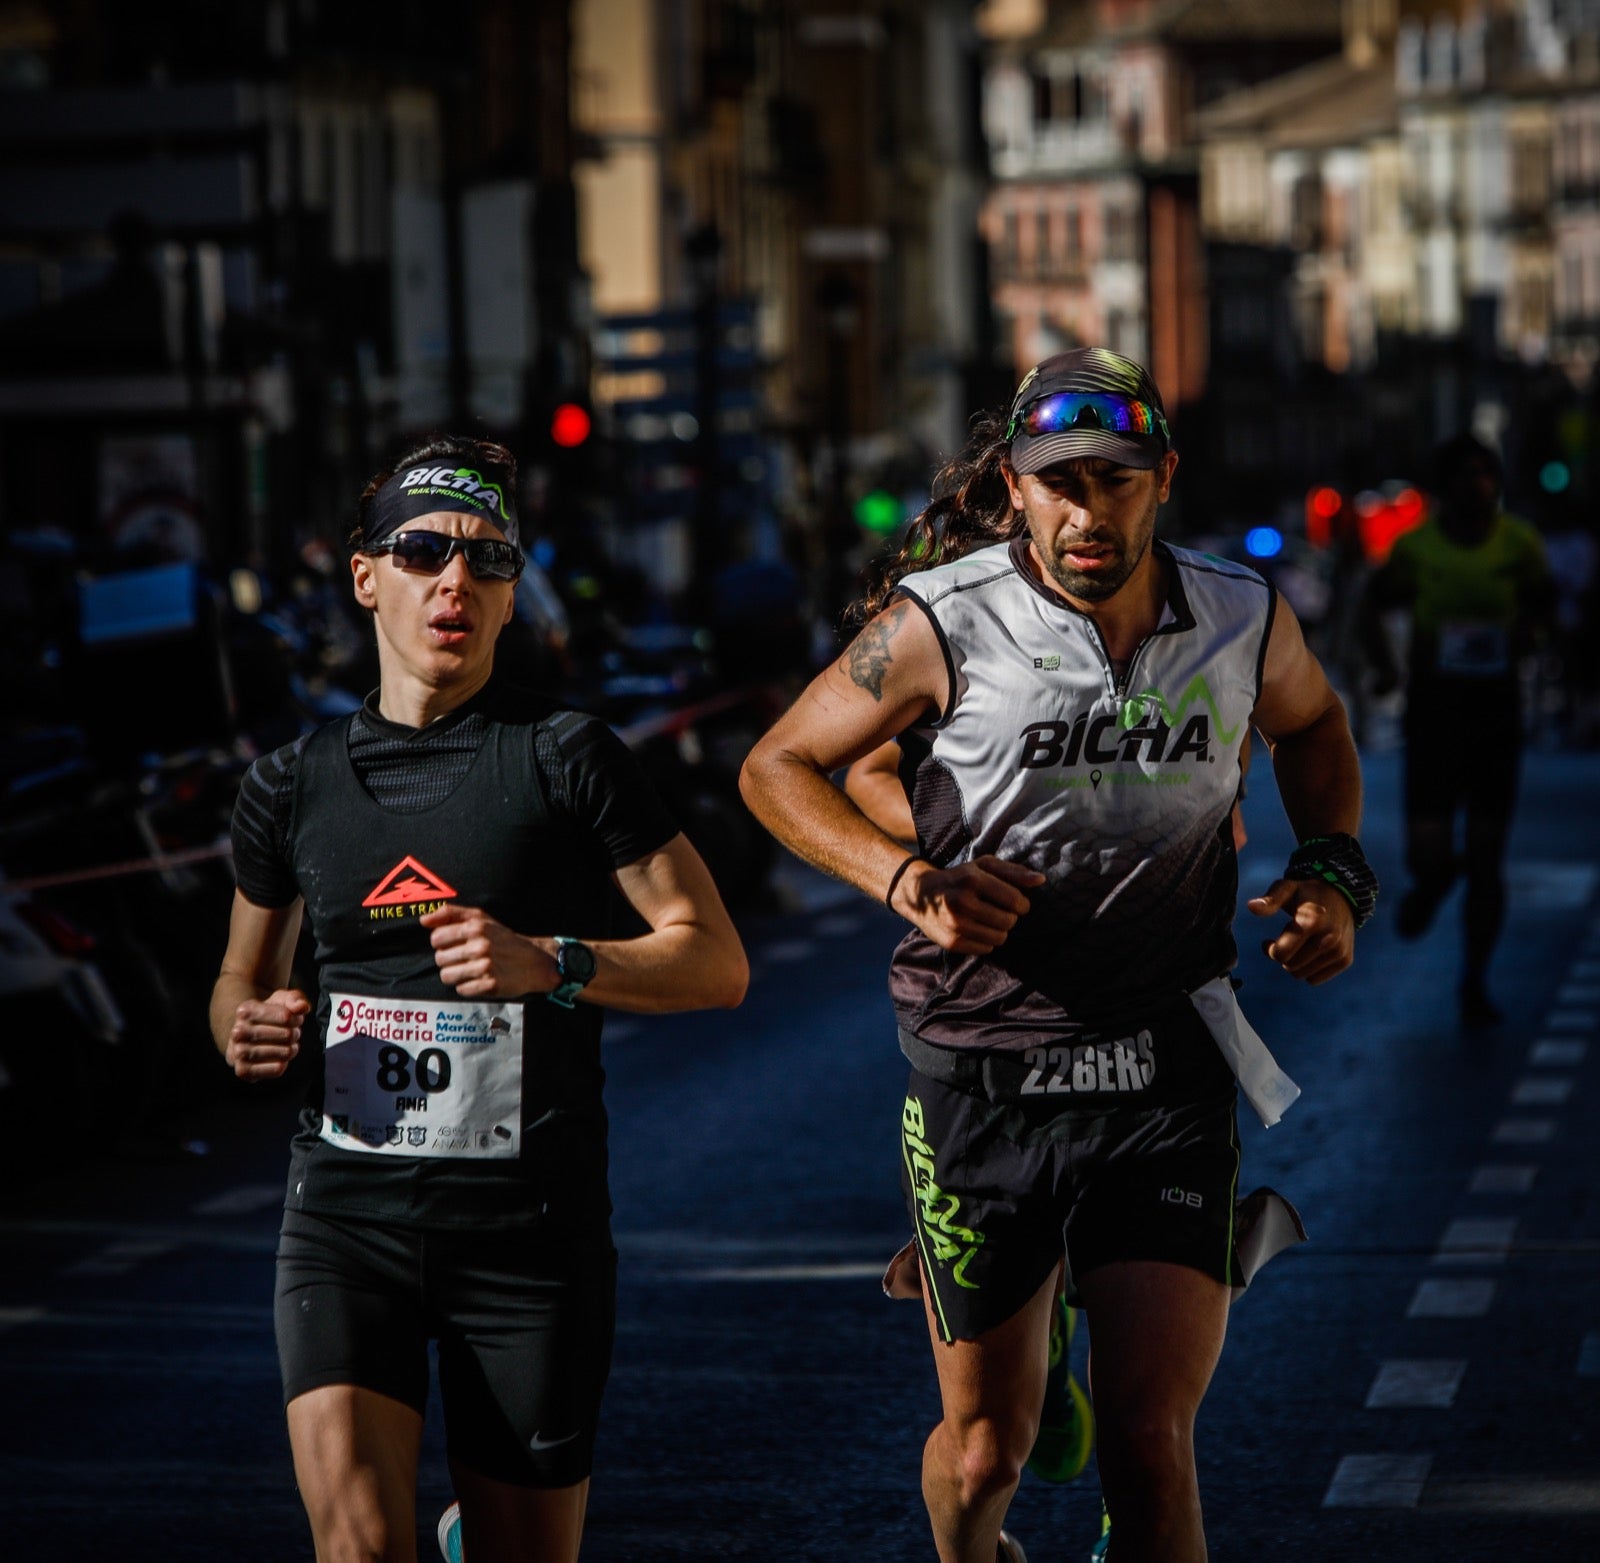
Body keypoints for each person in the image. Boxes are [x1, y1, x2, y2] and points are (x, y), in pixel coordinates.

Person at [740, 347, 1372, 1563]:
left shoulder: (1239, 614)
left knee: (1150, 1442)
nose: (1089, 513)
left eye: (1117, 480)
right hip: (985, 1072)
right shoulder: (941, 621)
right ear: (1015, 489)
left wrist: (1333, 871)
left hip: (1166, 1069)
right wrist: (908, 881)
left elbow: (1314, 723)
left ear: (1164, 479)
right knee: (987, 1452)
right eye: (1060, 483)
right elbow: (777, 766)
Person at [211, 434, 748, 1563]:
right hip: (346, 1224)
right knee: (358, 1547)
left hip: (527, 1239)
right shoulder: (291, 783)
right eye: (423, 552)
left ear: (511, 596)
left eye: (488, 559)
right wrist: (244, 1030)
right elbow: (238, 982)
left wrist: (557, 960)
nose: (454, 579)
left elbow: (715, 960)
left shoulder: (567, 758)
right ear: (367, 577)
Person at [1359, 432, 1553, 1027]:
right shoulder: (1417, 549)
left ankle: (1474, 979)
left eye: (1484, 474)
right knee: (1431, 854)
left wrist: (1532, 634)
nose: (1476, 485)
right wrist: (1387, 666)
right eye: (1464, 475)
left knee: (1489, 857)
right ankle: (1433, 884)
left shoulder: (1519, 544)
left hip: (1495, 710)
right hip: (1435, 710)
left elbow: (1546, 603)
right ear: (1443, 488)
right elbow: (1372, 606)